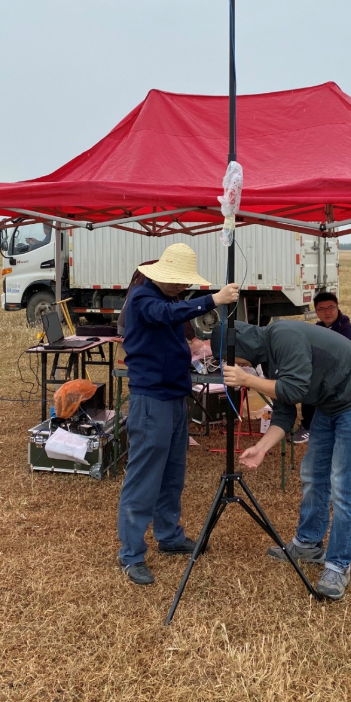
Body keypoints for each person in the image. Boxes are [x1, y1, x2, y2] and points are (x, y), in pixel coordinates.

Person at [211, 320, 351, 601]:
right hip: (329, 403)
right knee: (314, 475)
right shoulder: (268, 359)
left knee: (345, 486)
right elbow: (284, 412)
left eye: (231, 358)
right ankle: (308, 544)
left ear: (239, 345)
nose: (237, 365)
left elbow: (293, 389)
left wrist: (246, 380)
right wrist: (262, 447)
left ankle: (338, 565)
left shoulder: (283, 336)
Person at [117, 243, 239, 586]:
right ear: (165, 275)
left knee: (172, 473)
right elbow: (165, 315)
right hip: (151, 399)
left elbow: (175, 319)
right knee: (144, 477)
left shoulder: (168, 297)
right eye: (181, 281)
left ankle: (169, 535)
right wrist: (212, 300)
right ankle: (131, 554)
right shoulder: (143, 297)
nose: (184, 287)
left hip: (174, 396)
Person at [295, 291, 351, 443]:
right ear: (316, 311)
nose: (327, 313)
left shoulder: (345, 330)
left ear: (337, 308)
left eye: (331, 308)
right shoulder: (320, 327)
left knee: (310, 384)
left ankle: (308, 426)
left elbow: (340, 361)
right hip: (335, 372)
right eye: (322, 309)